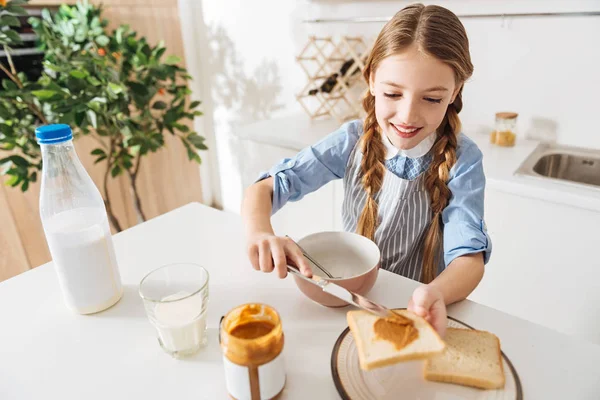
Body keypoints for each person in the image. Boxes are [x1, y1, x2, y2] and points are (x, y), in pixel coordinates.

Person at [241, 3, 492, 336]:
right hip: (351, 302)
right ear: (371, 80)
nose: (407, 116)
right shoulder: (351, 141)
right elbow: (264, 189)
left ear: (455, 92)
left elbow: (469, 260)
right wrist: (260, 232)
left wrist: (436, 293)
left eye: (431, 99)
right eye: (392, 93)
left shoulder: (464, 159)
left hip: (417, 310)